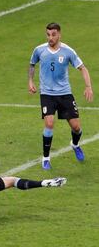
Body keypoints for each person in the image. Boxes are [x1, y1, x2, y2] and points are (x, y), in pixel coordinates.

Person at [28, 22, 94, 170]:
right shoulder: (39, 50)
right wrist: (30, 81)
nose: (50, 38)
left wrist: (88, 86)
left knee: (76, 127)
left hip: (64, 93)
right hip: (47, 94)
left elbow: (82, 68)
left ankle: (75, 144)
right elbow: (32, 64)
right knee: (49, 123)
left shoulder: (67, 51)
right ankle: (46, 158)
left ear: (59, 34)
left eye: (53, 34)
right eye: (48, 34)